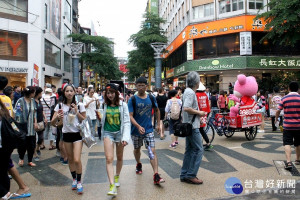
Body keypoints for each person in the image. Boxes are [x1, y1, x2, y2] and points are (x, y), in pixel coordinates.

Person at [128, 77, 165, 185]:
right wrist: (138, 126)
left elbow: (157, 110)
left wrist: (158, 124)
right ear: (136, 86)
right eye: (138, 85)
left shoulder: (151, 97)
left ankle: (156, 175)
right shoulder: (132, 99)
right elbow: (130, 116)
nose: (140, 87)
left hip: (148, 130)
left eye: (142, 85)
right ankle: (138, 163)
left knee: (152, 151)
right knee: (137, 149)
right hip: (136, 130)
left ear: (146, 86)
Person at [51, 84, 86, 194]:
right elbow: (52, 123)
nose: (69, 93)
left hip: (77, 135)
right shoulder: (60, 106)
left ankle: (79, 182)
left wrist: (76, 112)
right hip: (66, 135)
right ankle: (74, 180)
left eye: (71, 91)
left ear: (75, 92)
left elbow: (84, 120)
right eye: (67, 91)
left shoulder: (79, 105)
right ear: (64, 93)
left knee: (77, 159)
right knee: (70, 159)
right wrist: (57, 117)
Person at [0, 77, 30, 199]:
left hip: (3, 143)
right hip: (7, 142)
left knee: (5, 169)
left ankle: (4, 192)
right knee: (6, 168)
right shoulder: (5, 101)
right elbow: (11, 116)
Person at [101, 84, 131, 196]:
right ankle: (112, 185)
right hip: (107, 133)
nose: (110, 95)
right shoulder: (104, 105)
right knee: (109, 159)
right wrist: (100, 118)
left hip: (119, 134)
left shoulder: (123, 105)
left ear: (116, 93)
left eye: (112, 93)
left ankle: (117, 176)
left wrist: (125, 138)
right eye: (108, 93)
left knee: (119, 157)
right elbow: (103, 121)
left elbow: (127, 122)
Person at [180, 71, 205, 185]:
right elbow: (186, 108)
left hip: (188, 125)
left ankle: (184, 174)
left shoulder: (187, 91)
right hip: (192, 126)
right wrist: (199, 112)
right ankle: (191, 175)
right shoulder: (190, 93)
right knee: (199, 150)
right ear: (197, 82)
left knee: (189, 150)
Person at [275, 81, 300, 170]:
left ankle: (289, 162)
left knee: (287, 143)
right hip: (298, 126)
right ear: (298, 89)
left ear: (289, 88)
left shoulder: (284, 98)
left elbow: (278, 110)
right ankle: (297, 159)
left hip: (288, 126)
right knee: (298, 143)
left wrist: (276, 119)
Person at [15, 86, 37, 167]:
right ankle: (21, 159)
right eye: (34, 92)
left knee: (31, 145)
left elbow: (34, 112)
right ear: (30, 93)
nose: (34, 94)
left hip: (31, 128)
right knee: (22, 145)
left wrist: (35, 122)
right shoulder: (20, 101)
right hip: (23, 127)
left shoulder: (33, 101)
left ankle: (30, 161)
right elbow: (16, 114)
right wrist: (19, 112)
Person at [196, 83, 212, 150]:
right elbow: (208, 105)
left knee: (198, 130)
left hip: (198, 113)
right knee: (201, 129)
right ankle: (207, 143)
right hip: (204, 113)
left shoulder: (196, 95)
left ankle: (204, 143)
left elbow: (196, 105)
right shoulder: (205, 95)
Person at [33, 87, 46, 162]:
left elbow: (42, 110)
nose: (42, 94)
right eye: (41, 93)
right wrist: (35, 122)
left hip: (41, 121)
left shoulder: (39, 101)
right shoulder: (32, 101)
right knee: (34, 138)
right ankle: (34, 153)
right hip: (34, 122)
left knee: (41, 137)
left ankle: (37, 148)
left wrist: (45, 118)